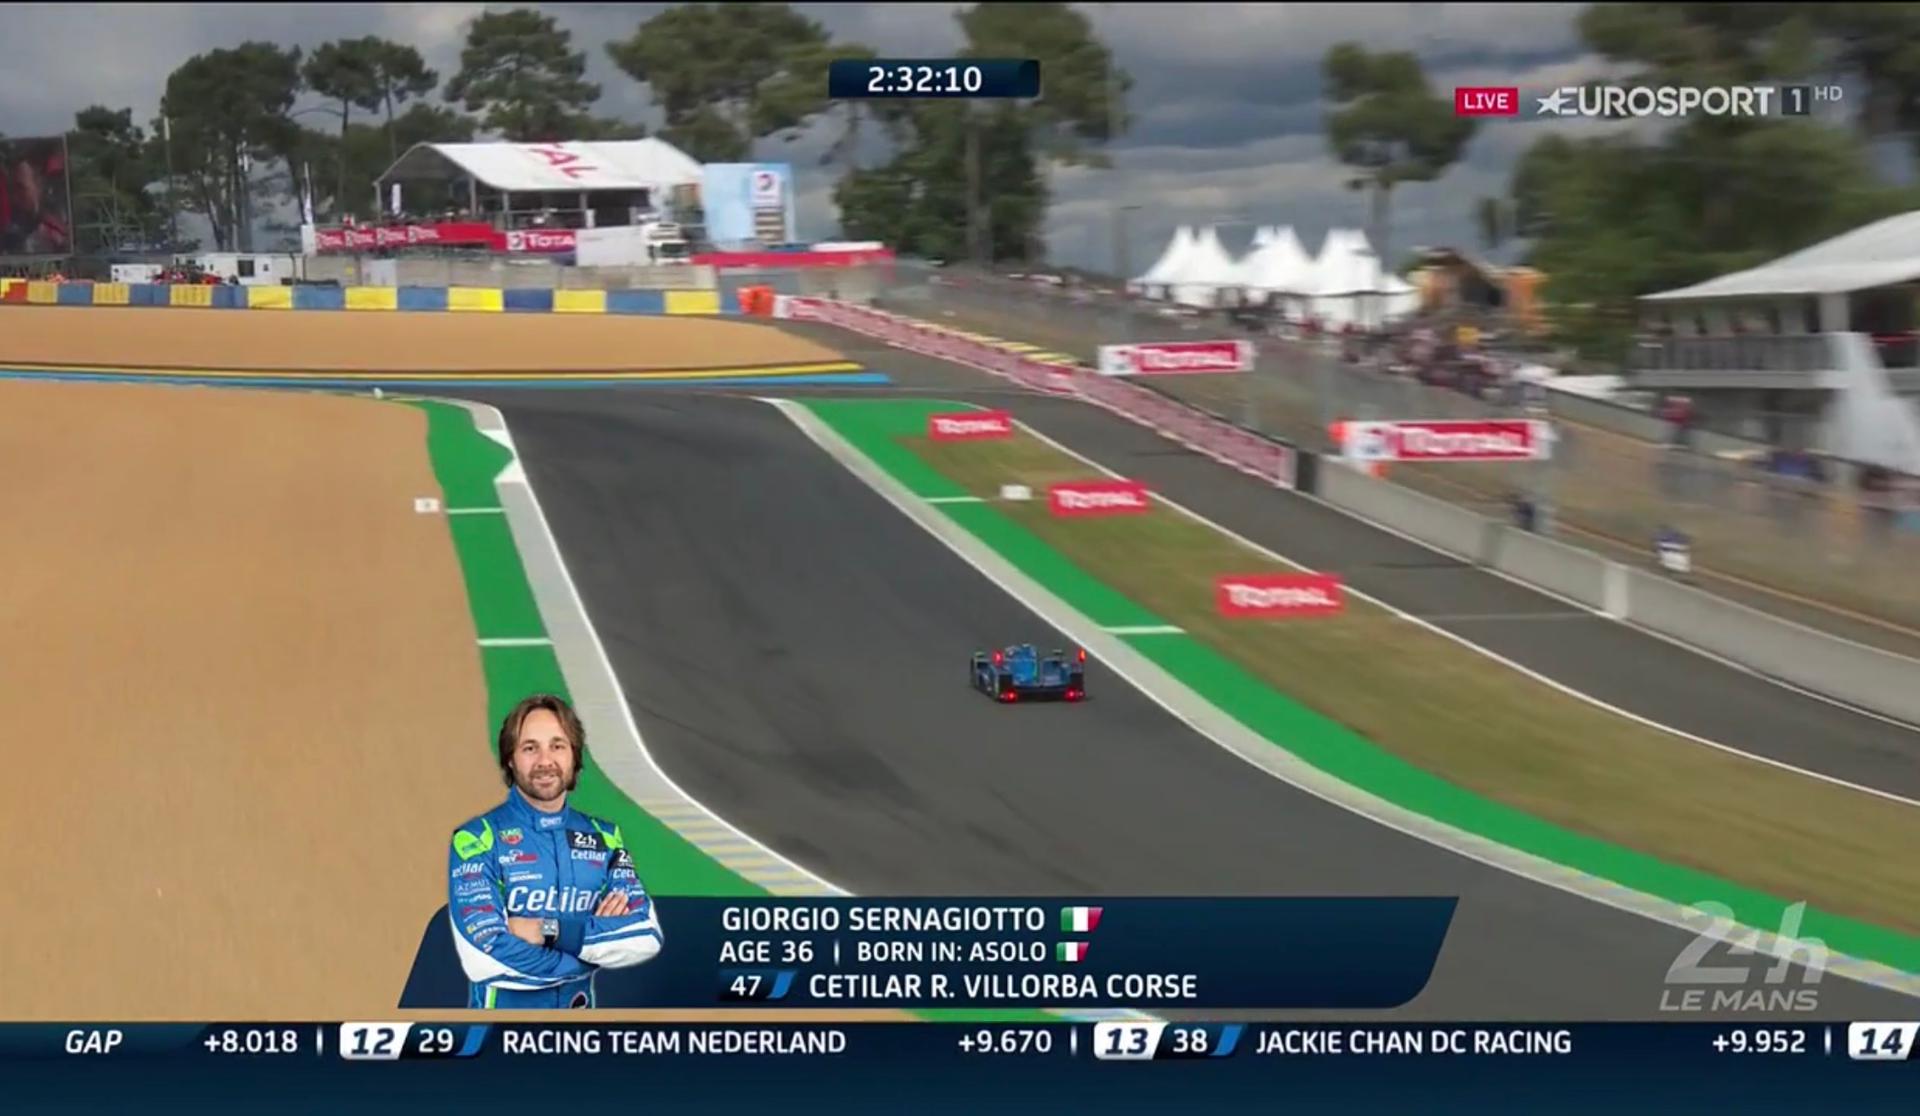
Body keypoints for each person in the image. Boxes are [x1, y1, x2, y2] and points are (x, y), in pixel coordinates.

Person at [447, 694, 663, 1009]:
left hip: (579, 1035)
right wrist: (592, 954)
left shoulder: (605, 838)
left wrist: (547, 931)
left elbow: (644, 936)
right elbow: (484, 958)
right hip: (502, 1033)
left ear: (574, 755)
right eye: (530, 748)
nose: (545, 761)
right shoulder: (478, 838)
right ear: (510, 758)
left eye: (557, 746)